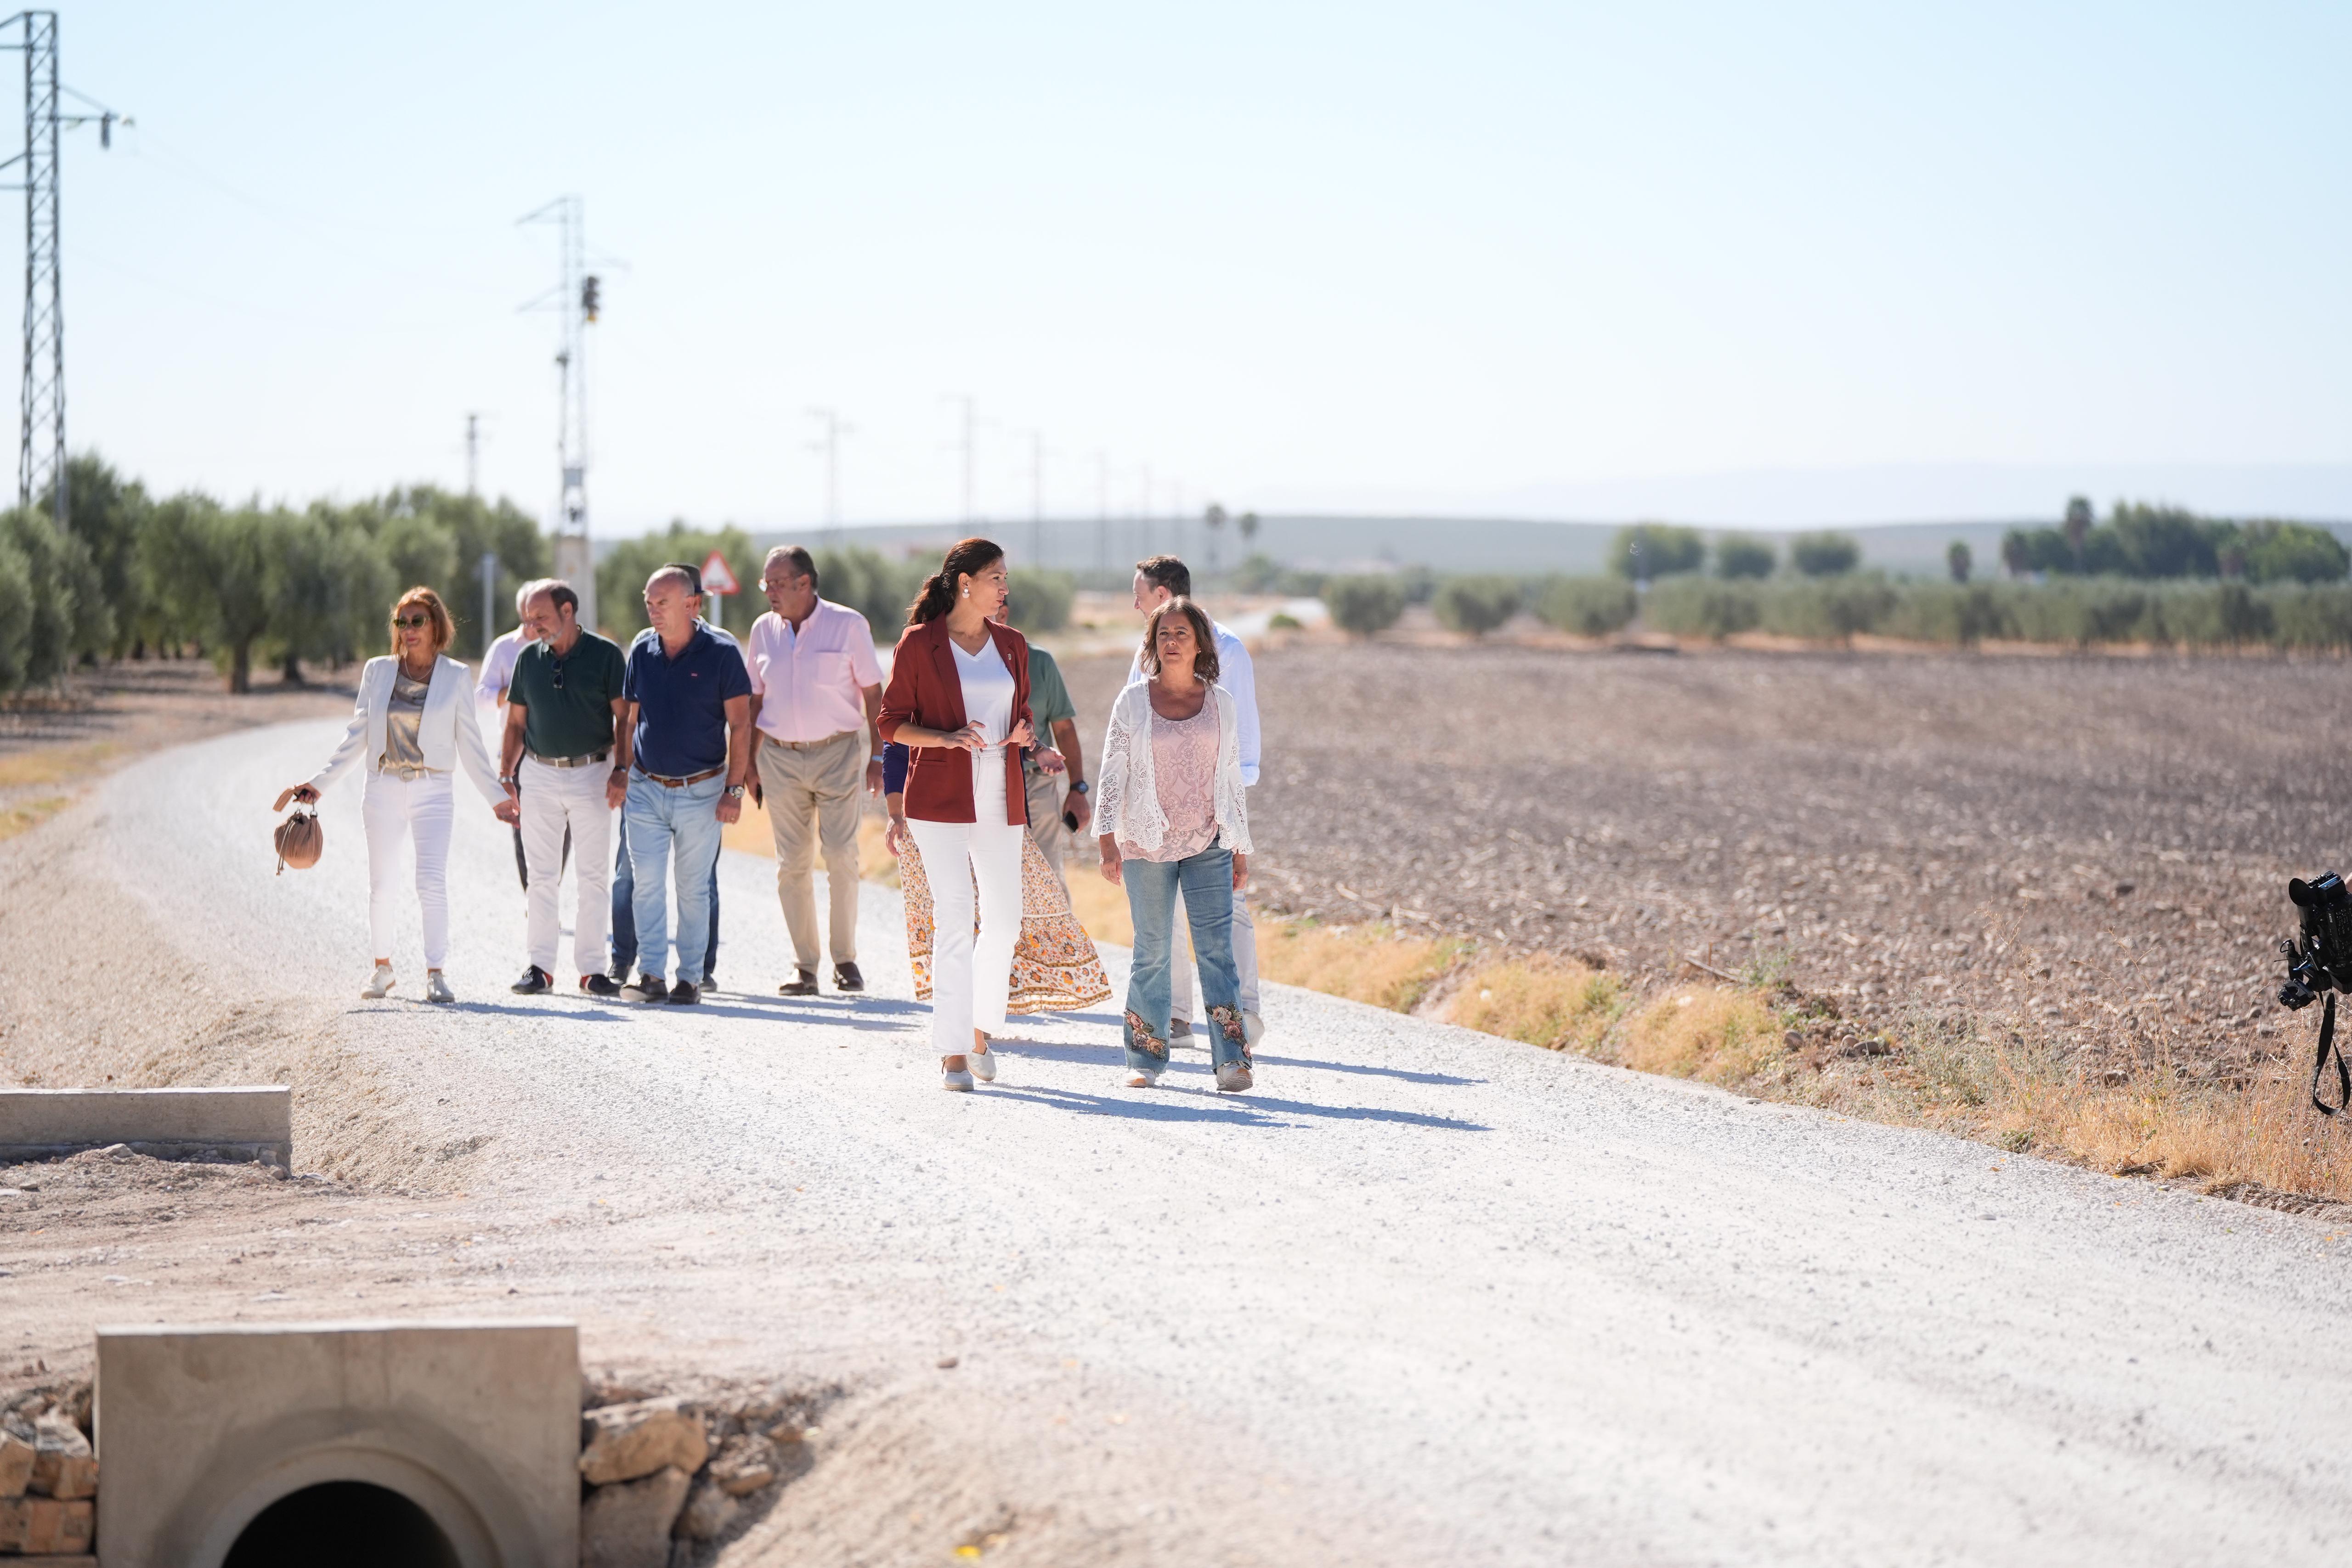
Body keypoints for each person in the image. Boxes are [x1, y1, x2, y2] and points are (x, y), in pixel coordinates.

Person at [276, 587, 506, 1003]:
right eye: (402, 622)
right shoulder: (378, 671)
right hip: (381, 787)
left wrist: (497, 798)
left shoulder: (455, 676)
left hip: (433, 789)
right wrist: (320, 783)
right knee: (381, 884)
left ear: (437, 625)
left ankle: (436, 973)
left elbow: (470, 744)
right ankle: (382, 969)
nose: (409, 629)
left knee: (431, 883)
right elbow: (357, 735)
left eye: (418, 621)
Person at [876, 537, 1038, 1091]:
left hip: (1000, 788)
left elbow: (1021, 711)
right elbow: (890, 723)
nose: (1004, 587)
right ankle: (950, 1053)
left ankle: (976, 1028)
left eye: (1005, 577)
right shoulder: (919, 644)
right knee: (954, 915)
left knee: (1006, 921)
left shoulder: (1012, 644)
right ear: (965, 582)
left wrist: (1023, 734)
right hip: (938, 796)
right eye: (996, 577)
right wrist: (944, 739)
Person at [1096, 596, 1255, 1092]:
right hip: (1145, 843)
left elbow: (1229, 778)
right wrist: (1107, 841)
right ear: (1152, 644)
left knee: (1216, 953)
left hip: (1207, 842)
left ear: (1199, 644)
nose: (1171, 642)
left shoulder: (1220, 704)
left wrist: (1240, 847)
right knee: (1152, 951)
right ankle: (1143, 1058)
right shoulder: (1133, 702)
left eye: (1181, 634)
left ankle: (1232, 1062)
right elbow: (1112, 772)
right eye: (1162, 634)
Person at [1128, 554, 1264, 1044]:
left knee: (1232, 905)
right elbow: (1131, 720)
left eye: (1139, 593)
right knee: (1165, 910)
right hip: (1158, 801)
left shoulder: (1228, 648)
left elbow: (1241, 730)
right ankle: (1177, 1016)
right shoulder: (1146, 651)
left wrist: (1234, 806)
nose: (1133, 602)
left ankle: (1243, 1014)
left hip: (1216, 799)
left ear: (1162, 594)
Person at [745, 545, 884, 997]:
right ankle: (804, 967)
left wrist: (878, 757)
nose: (769, 591)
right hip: (778, 759)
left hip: (838, 754)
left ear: (805, 583)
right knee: (792, 864)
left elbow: (872, 694)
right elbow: (754, 700)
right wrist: (746, 763)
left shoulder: (848, 625)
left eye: (778, 583)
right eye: (766, 583)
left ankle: (845, 961)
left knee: (841, 855)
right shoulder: (762, 631)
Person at [883, 741, 1111, 1014]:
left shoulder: (1004, 696)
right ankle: (966, 1013)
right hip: (936, 813)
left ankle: (985, 1004)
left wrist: (1035, 749)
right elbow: (896, 745)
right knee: (957, 915)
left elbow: (1015, 728)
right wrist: (895, 812)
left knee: (1005, 914)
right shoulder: (923, 699)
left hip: (997, 812)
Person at [615, 566, 754, 1006]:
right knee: (646, 883)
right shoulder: (641, 650)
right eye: (649, 602)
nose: (653, 611)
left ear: (693, 604)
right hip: (645, 790)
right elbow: (630, 718)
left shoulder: (722, 654)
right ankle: (652, 973)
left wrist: (734, 790)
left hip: (703, 792)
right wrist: (622, 769)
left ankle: (690, 978)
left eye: (663, 603)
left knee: (693, 888)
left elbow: (741, 724)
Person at [495, 580, 628, 997]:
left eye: (542, 618)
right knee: (541, 877)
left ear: (568, 611)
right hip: (538, 774)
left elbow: (624, 719)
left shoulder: (606, 656)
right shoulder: (527, 660)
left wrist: (622, 769)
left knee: (592, 876)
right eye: (529, 620)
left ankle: (592, 971)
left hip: (594, 773)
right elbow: (516, 723)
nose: (533, 627)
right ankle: (540, 967)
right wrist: (505, 776)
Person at [475, 578, 556, 891]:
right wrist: (515, 693)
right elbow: (481, 696)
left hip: (559, 751)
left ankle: (549, 888)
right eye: (529, 614)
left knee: (561, 832)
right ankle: (534, 895)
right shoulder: (504, 649)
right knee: (523, 828)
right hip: (517, 754)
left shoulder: (562, 645)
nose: (533, 620)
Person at [1020, 643, 1091, 885]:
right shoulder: (959, 656)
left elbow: (1064, 728)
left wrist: (1077, 789)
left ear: (1003, 610)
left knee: (1047, 879)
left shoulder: (1039, 661)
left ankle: (1055, 924)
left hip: (1036, 787)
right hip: (978, 786)